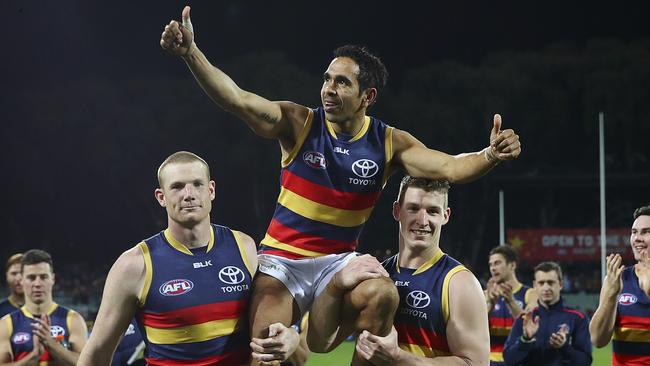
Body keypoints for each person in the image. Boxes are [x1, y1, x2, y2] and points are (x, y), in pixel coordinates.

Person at [160, 7, 521, 364]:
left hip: (339, 264)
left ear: (368, 97)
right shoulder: (298, 124)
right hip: (283, 262)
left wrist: (489, 154)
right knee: (266, 351)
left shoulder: (389, 143)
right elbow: (237, 99)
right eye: (327, 79)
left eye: (342, 82)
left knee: (383, 294)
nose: (328, 90)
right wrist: (191, 53)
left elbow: (450, 167)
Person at [78, 151, 270, 365]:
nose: (189, 194)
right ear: (161, 197)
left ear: (211, 190)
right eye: (177, 187)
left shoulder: (244, 247)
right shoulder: (134, 265)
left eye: (197, 184)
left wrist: (288, 337)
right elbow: (97, 352)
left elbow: (268, 322)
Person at [352, 177, 489, 365]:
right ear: (397, 210)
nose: (422, 221)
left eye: (432, 211)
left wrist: (399, 359)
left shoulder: (460, 283)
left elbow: (475, 363)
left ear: (445, 216)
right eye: (413, 208)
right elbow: (325, 340)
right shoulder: (377, 274)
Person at [0, 249, 88, 365]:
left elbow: (86, 364)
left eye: (43, 277)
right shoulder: (6, 324)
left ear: (53, 279)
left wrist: (51, 344)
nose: (37, 284)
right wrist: (34, 356)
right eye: (31, 278)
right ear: (21, 280)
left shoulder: (73, 319)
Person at [589, 205, 650, 365]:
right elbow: (597, 339)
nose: (637, 238)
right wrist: (611, 295)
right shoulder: (619, 278)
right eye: (634, 232)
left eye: (646, 232)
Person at [503, 262, 591, 366]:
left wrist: (564, 347)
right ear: (535, 285)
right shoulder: (525, 319)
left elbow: (585, 362)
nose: (546, 288)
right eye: (541, 283)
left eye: (550, 282)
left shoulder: (577, 318)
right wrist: (525, 340)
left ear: (560, 284)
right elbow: (508, 360)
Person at [485, 246, 537, 365]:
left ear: (512, 265)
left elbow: (530, 326)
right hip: (490, 361)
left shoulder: (530, 294)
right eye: (491, 264)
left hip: (519, 360)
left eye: (497, 263)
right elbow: (474, 330)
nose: (493, 268)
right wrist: (490, 305)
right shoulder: (485, 295)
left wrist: (511, 301)